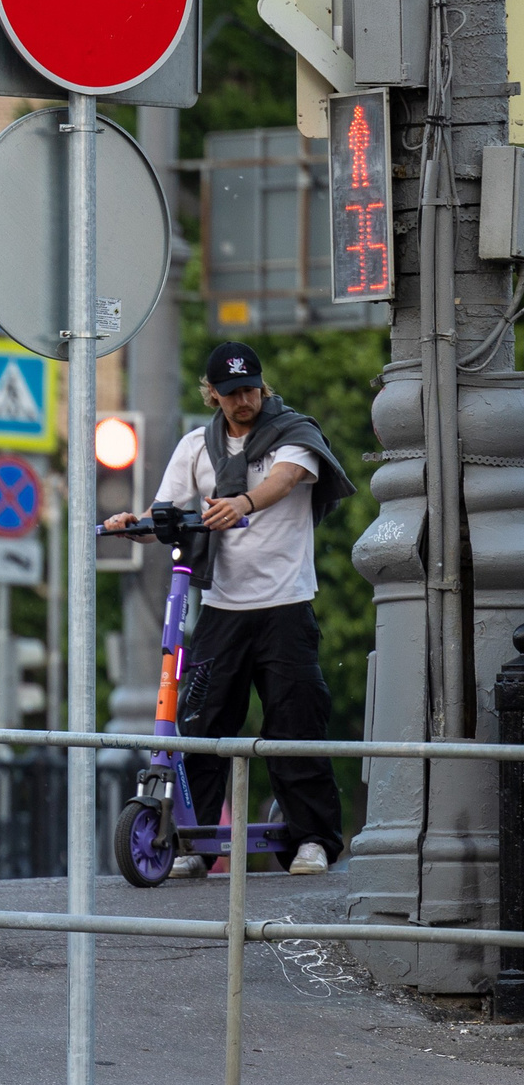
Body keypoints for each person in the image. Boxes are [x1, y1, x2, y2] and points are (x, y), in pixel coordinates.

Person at [103, 341, 353, 877]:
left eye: (252, 389)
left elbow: (285, 481)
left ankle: (313, 840)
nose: (246, 400)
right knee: (202, 725)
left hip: (286, 605)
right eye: (233, 392)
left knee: (296, 723)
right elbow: (167, 512)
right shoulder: (196, 447)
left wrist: (243, 501)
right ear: (212, 394)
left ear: (262, 386)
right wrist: (136, 525)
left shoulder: (294, 435)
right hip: (222, 609)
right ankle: (193, 842)